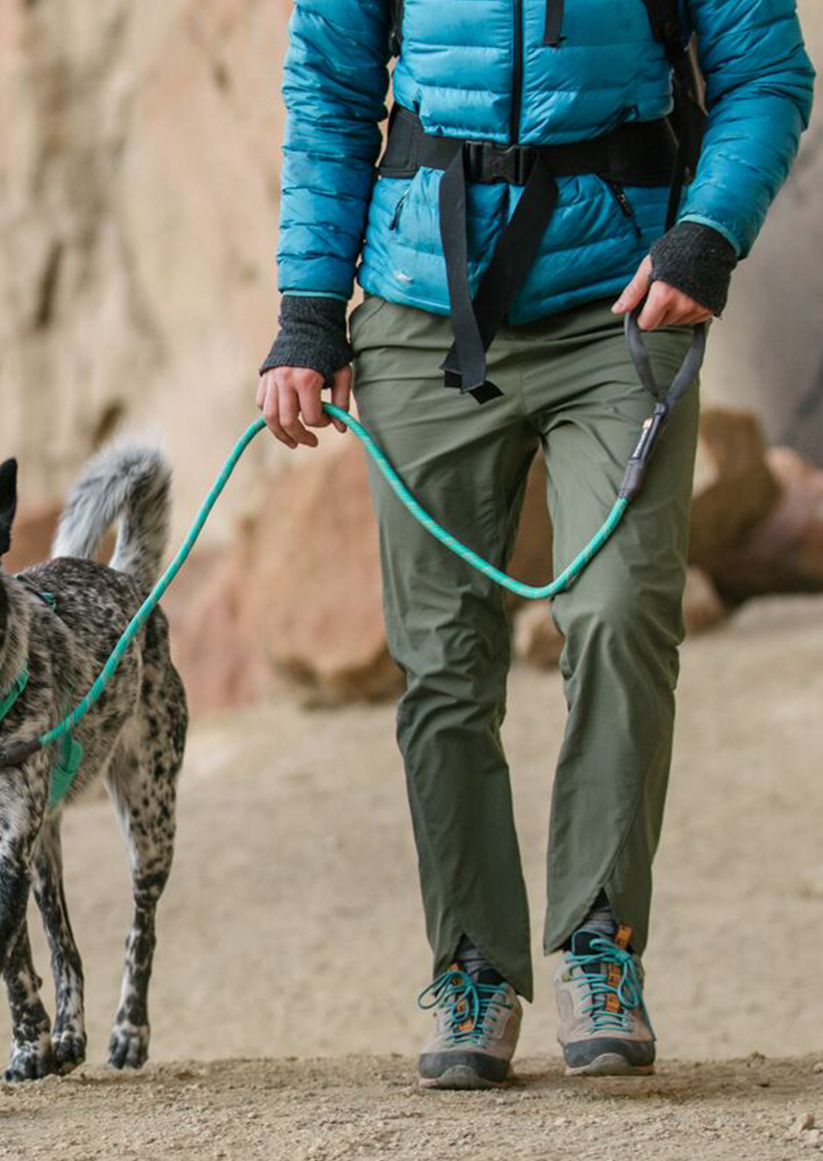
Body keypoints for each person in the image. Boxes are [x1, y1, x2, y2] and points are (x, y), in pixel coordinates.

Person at [257, 0, 814, 1088]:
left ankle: (599, 945)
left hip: (623, 310)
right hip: (422, 306)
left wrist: (708, 232)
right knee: (443, 661)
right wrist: (310, 309)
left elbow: (766, 76)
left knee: (619, 613)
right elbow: (327, 92)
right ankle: (472, 965)